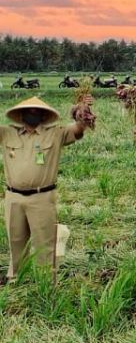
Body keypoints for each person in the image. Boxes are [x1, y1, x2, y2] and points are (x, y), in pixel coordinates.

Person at [2, 95, 93, 280]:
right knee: (16, 241)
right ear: (21, 114)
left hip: (42, 198)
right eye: (29, 111)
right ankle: (16, 280)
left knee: (45, 244)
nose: (33, 114)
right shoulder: (6, 133)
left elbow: (77, 129)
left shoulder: (56, 133)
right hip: (13, 198)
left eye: (37, 112)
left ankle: (47, 284)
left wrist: (82, 113)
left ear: (44, 116)